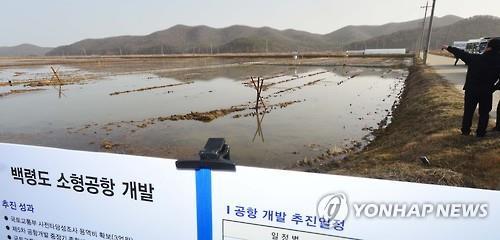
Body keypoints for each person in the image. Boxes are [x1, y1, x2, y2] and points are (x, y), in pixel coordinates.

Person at [443, 38, 500, 137]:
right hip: (487, 91)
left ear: (489, 48)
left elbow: (462, 54)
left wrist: (448, 48)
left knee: (468, 111)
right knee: (484, 113)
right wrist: (494, 88)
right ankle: (481, 133)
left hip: (471, 90)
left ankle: (465, 131)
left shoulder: (475, 58)